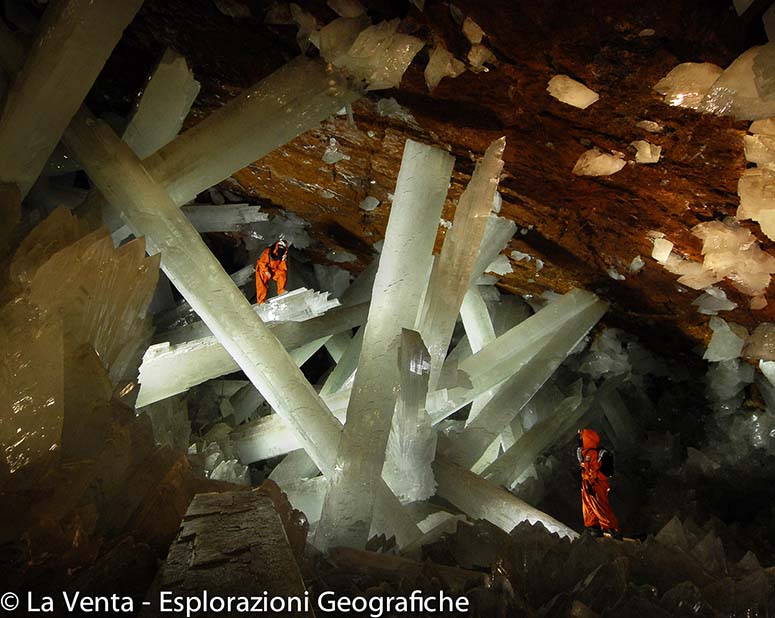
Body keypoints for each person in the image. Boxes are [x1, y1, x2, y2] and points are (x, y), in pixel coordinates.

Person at [577, 428, 620, 538]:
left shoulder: (598, 453)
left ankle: (611, 529)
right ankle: (594, 528)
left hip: (597, 484)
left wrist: (592, 477)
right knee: (588, 508)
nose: (580, 439)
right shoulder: (583, 453)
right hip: (588, 484)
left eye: (581, 437)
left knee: (601, 507)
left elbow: (603, 471)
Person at [255, 239, 289, 304]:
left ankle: (281, 291)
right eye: (280, 246)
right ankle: (261, 301)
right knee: (261, 285)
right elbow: (262, 262)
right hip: (262, 269)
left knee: (282, 274)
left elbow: (282, 268)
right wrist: (266, 271)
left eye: (283, 247)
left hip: (273, 269)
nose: (281, 248)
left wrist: (283, 261)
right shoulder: (268, 251)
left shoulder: (282, 255)